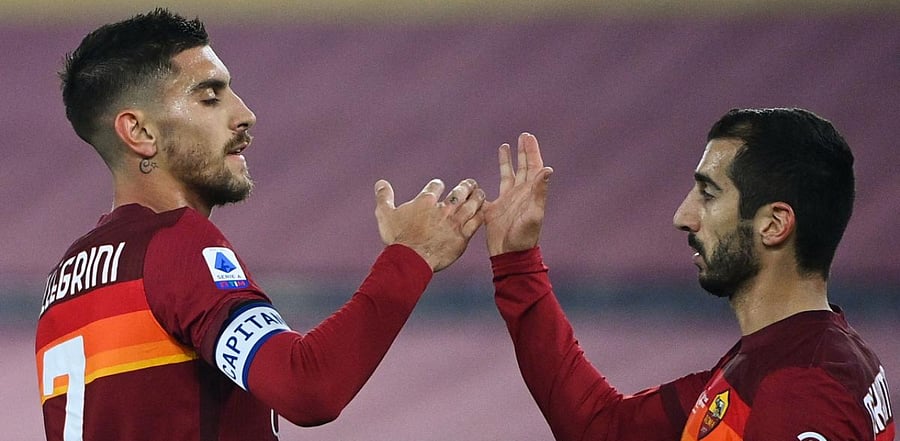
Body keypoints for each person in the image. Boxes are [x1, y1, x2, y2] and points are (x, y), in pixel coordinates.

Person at [35, 8, 485, 441]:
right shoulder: (176, 245)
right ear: (140, 132)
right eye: (210, 97)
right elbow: (308, 387)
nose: (245, 114)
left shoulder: (63, 283)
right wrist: (412, 255)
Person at [481, 110, 895, 440]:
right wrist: (517, 263)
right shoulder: (789, 358)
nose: (684, 216)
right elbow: (602, 428)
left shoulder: (793, 390)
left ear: (773, 224)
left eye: (709, 193)